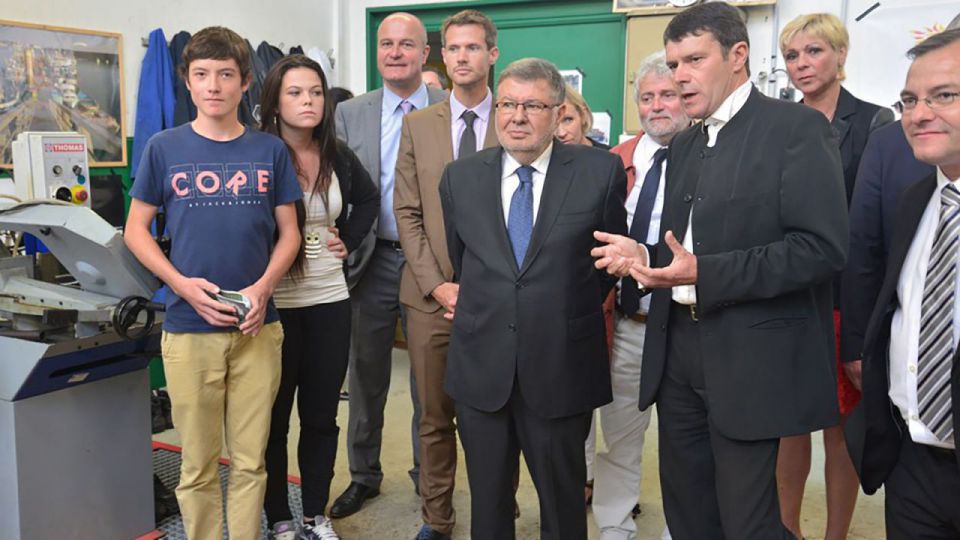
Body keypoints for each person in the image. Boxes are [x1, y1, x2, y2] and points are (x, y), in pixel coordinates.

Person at [592, 3, 848, 537]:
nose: (679, 75)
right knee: (687, 512)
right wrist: (644, 256)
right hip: (677, 357)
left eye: (693, 59)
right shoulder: (686, 142)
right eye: (673, 62)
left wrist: (705, 273)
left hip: (749, 359)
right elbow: (683, 250)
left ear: (738, 56)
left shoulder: (794, 129)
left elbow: (820, 249)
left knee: (747, 521)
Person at [124, 26, 301, 540]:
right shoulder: (163, 148)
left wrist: (264, 286)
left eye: (226, 74)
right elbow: (137, 230)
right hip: (187, 328)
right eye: (201, 74)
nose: (214, 85)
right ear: (188, 81)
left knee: (250, 462)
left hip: (256, 329)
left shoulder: (269, 151)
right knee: (198, 465)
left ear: (245, 82)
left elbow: (289, 234)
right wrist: (180, 284)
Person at [440, 57, 627, 540]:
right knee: (489, 502)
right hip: (483, 369)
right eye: (506, 104)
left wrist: (555, 308)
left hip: (562, 365)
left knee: (563, 506)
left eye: (532, 105)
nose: (516, 117)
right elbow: (467, 264)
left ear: (558, 111)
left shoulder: (599, 172)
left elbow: (603, 269)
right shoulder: (461, 177)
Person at [775, 13, 893, 540]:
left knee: (841, 430)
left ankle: (835, 535)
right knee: (786, 425)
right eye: (792, 56)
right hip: (785, 295)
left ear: (841, 55)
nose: (801, 64)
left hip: (848, 297)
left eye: (814, 52)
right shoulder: (775, 125)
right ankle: (786, 530)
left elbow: (877, 221)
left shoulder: (875, 123)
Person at [330, 12, 447, 519]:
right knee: (366, 377)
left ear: (425, 54)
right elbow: (334, 188)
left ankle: (431, 485)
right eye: (386, 44)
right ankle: (363, 475)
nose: (395, 52)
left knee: (432, 385)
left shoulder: (450, 109)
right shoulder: (351, 114)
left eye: (407, 44)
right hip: (370, 259)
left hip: (433, 267)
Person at [846, 28, 960, 539]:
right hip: (911, 461)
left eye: (944, 96)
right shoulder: (917, 199)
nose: (918, 115)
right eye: (910, 100)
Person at [258, 55, 379, 540]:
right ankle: (278, 518)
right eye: (295, 93)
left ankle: (314, 513)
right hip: (276, 302)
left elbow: (368, 200)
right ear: (274, 100)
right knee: (274, 417)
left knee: (322, 415)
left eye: (315, 92)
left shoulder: (335, 153)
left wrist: (346, 236)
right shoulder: (258, 153)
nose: (308, 102)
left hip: (330, 296)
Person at [393, 9, 500, 540]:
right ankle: (437, 520)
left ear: (491, 54)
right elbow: (407, 212)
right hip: (430, 298)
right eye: (453, 49)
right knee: (434, 418)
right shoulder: (417, 126)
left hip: (501, 300)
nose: (462, 58)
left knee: (493, 417)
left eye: (473, 48)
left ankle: (494, 515)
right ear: (443, 57)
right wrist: (438, 283)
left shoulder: (516, 118)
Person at [592, 51, 690, 540]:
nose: (657, 107)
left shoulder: (708, 157)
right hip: (631, 325)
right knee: (620, 436)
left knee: (685, 440)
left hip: (690, 328)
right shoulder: (615, 161)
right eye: (647, 97)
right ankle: (614, 524)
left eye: (668, 95)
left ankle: (683, 527)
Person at [553, 81, 606, 508]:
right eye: (554, 120)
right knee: (571, 405)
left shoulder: (606, 166)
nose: (561, 129)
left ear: (583, 116)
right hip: (558, 309)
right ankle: (581, 478)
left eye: (567, 118)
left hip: (599, 301)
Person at [556, 84, 609, 150]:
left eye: (568, 120)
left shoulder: (610, 158)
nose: (561, 133)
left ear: (583, 115)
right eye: (552, 124)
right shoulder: (543, 159)